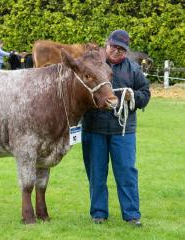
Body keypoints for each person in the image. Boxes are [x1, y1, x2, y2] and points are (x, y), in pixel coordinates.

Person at [81, 30, 151, 226]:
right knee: (96, 174)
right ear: (107, 44)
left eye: (121, 49)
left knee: (127, 173)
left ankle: (132, 215)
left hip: (123, 131)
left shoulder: (134, 69)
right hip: (94, 128)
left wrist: (133, 97)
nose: (117, 51)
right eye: (114, 46)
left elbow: (145, 93)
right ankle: (98, 214)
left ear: (126, 50)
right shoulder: (92, 65)